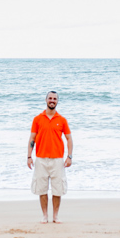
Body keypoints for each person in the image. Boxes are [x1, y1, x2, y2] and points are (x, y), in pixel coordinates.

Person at [27, 91, 73, 223]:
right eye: (50, 98)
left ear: (57, 101)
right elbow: (32, 138)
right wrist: (29, 156)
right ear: (46, 100)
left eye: (55, 99)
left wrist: (69, 156)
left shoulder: (62, 120)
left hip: (57, 159)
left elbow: (69, 139)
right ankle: (45, 216)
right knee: (42, 189)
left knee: (57, 189)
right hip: (40, 158)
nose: (52, 101)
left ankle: (55, 216)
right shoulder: (37, 119)